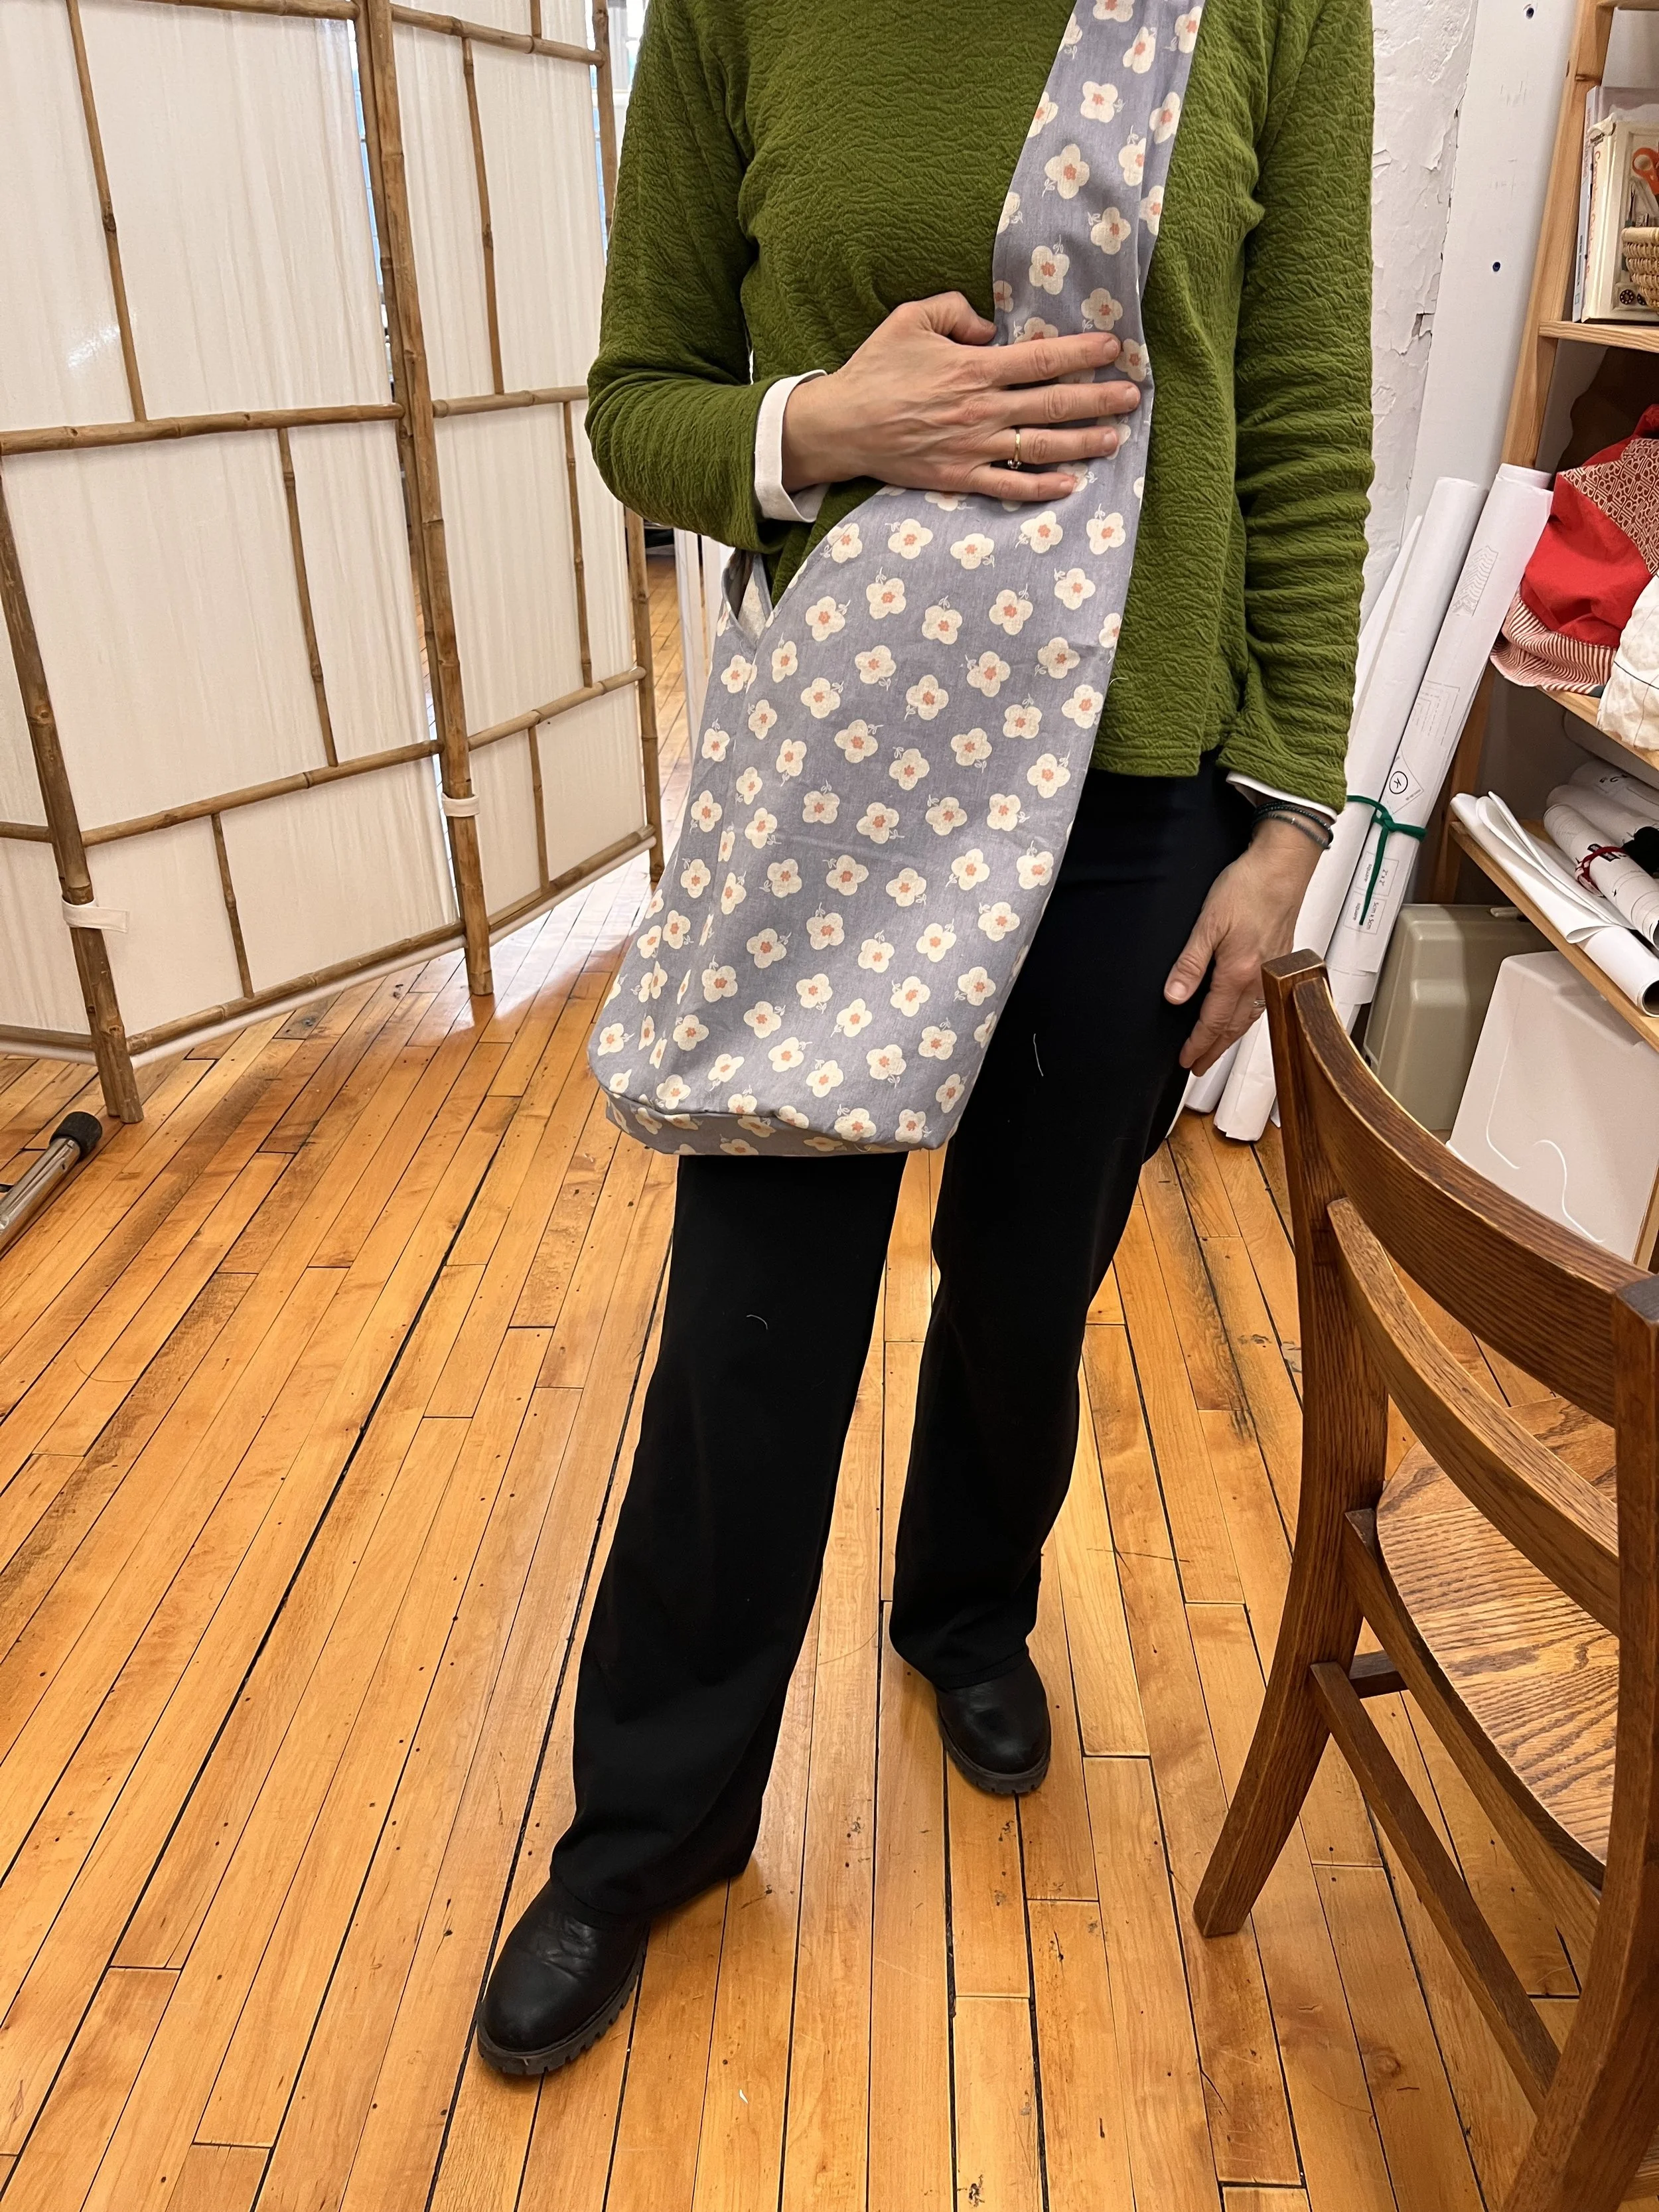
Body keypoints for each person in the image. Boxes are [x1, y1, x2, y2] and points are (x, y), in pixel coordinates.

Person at [478, 0, 1373, 2075]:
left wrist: (1290, 812)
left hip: (1139, 797)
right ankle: (652, 1825)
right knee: (752, 1319)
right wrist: (817, 423)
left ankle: (961, 1610)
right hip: (849, 778)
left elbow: (1306, 405)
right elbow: (638, 403)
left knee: (1027, 1280)